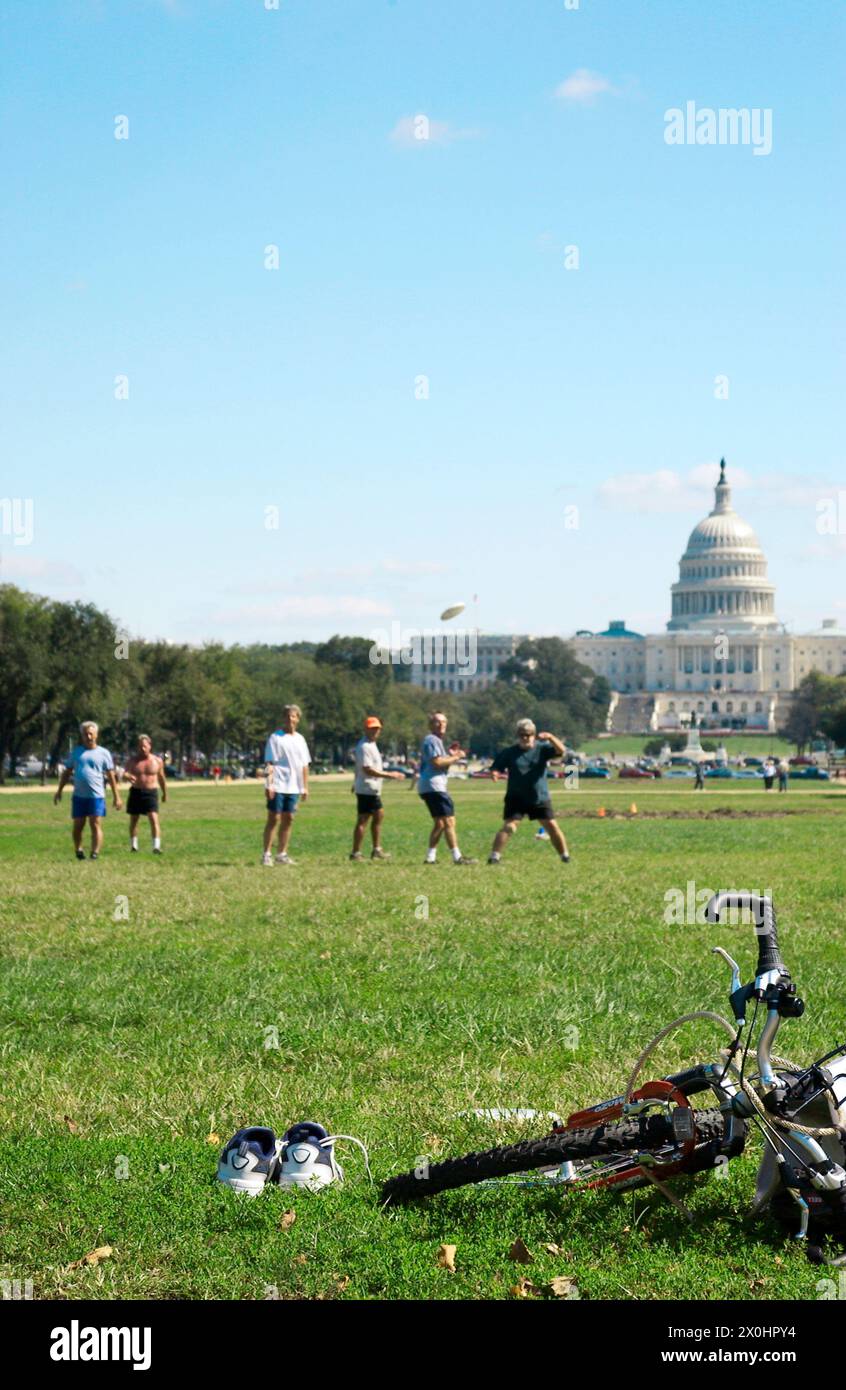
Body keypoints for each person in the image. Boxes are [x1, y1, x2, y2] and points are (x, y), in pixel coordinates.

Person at [487, 719, 570, 864]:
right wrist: (495, 773)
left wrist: (550, 737)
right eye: (522, 735)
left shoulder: (542, 749)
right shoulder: (509, 752)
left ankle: (565, 856)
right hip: (516, 798)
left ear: (534, 734)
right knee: (509, 827)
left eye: (529, 734)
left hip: (539, 797)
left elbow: (561, 751)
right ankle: (494, 857)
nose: (525, 737)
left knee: (551, 826)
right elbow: (496, 767)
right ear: (517, 735)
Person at [54, 720, 122, 859]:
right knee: (78, 826)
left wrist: (117, 796)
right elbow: (67, 773)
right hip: (79, 796)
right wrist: (59, 790)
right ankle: (78, 850)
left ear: (96, 735)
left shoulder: (104, 753)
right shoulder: (76, 752)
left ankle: (94, 853)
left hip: (96, 796)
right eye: (85, 734)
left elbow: (111, 776)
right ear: (82, 736)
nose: (88, 737)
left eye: (91, 734)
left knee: (95, 824)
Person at [418, 711, 476, 865]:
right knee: (449, 821)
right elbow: (436, 763)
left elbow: (440, 760)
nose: (441, 724)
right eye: (437, 721)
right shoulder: (431, 739)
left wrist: (449, 755)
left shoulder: (435, 741)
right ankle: (457, 857)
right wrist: (457, 757)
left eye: (444, 721)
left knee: (440, 823)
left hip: (430, 785)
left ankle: (430, 858)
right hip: (434, 786)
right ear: (430, 725)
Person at [350, 716, 405, 861]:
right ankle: (356, 852)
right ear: (366, 729)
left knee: (377, 816)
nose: (375, 731)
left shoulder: (371, 744)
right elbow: (367, 769)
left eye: (377, 728)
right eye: (372, 728)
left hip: (371, 788)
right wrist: (389, 775)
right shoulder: (364, 746)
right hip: (367, 788)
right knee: (364, 819)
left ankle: (376, 849)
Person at [262, 704, 311, 866]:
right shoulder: (275, 738)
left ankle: (282, 854)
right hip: (278, 785)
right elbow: (269, 762)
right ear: (283, 719)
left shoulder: (300, 739)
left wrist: (304, 787)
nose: (290, 719)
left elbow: (305, 765)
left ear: (298, 719)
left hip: (294, 786)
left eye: (293, 716)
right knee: (274, 818)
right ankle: (267, 854)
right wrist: (269, 784)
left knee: (289, 818)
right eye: (287, 716)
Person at [123, 734, 167, 853]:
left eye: (145, 746)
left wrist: (164, 793)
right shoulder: (133, 761)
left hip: (151, 792)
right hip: (136, 791)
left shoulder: (157, 761)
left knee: (153, 819)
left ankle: (156, 846)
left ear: (149, 746)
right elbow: (124, 773)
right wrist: (128, 776)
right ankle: (134, 845)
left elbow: (162, 778)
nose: (142, 748)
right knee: (134, 819)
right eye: (140, 746)